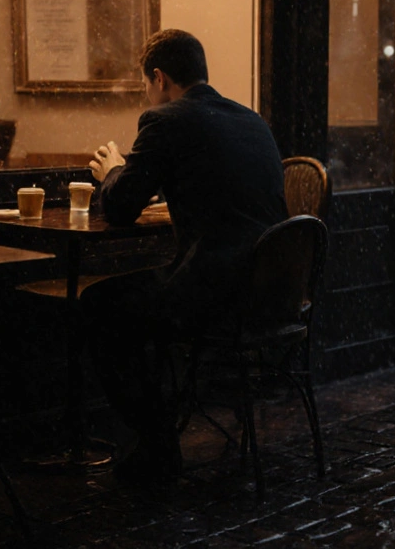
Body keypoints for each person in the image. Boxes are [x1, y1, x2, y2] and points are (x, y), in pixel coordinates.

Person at [85, 28, 287, 481]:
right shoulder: (251, 120)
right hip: (272, 294)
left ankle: (156, 443)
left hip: (216, 296)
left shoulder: (167, 121)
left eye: (145, 85)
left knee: (99, 306)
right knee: (139, 300)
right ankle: (162, 427)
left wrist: (114, 170)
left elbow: (119, 208)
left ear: (158, 78)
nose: (147, 94)